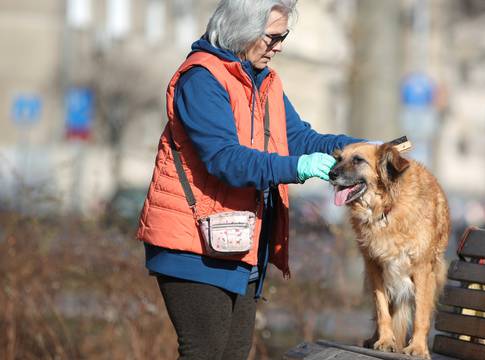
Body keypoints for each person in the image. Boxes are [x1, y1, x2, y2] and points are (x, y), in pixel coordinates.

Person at [136, 0, 364, 359]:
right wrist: (297, 168)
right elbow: (224, 160)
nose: (280, 46)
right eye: (273, 37)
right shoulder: (202, 79)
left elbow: (300, 139)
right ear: (243, 30)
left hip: (239, 241)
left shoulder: (266, 82)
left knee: (234, 353)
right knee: (206, 352)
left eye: (283, 36)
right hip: (193, 243)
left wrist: (360, 148)